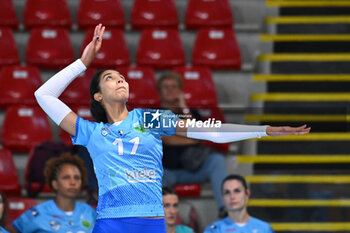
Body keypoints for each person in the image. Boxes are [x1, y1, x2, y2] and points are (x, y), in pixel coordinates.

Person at [34, 23, 310, 233]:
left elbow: (208, 130)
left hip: (153, 222)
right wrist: (83, 63)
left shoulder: (149, 120)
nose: (121, 81)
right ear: (97, 95)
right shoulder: (91, 133)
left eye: (122, 77)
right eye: (110, 78)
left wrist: (262, 130)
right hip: (110, 223)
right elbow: (43, 96)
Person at [157, 71, 228, 217]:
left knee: (217, 160)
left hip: (192, 169)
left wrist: (184, 107)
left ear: (180, 90)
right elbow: (167, 138)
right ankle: (161, 218)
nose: (170, 90)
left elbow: (199, 135)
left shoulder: (192, 114)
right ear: (160, 91)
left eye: (174, 87)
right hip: (167, 170)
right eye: (166, 87)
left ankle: (225, 210)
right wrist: (189, 138)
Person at [9, 154, 96, 233]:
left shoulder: (90, 212)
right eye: (66, 177)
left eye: (77, 178)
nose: (73, 182)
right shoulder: (38, 213)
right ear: (55, 184)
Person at [204, 174, 275, 233]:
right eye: (227, 192)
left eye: (237, 191)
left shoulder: (264, 229)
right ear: (222, 198)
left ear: (247, 194)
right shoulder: (213, 229)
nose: (232, 196)